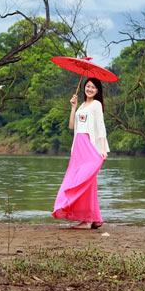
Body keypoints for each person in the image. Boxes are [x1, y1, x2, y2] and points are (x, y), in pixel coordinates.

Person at [52, 77, 109, 229]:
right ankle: (93, 218)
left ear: (97, 91)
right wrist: (73, 107)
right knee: (81, 181)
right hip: (78, 147)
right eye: (87, 86)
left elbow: (101, 127)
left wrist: (102, 149)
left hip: (89, 146)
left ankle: (88, 220)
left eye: (93, 87)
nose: (89, 89)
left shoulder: (96, 105)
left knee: (84, 181)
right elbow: (72, 126)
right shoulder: (82, 105)